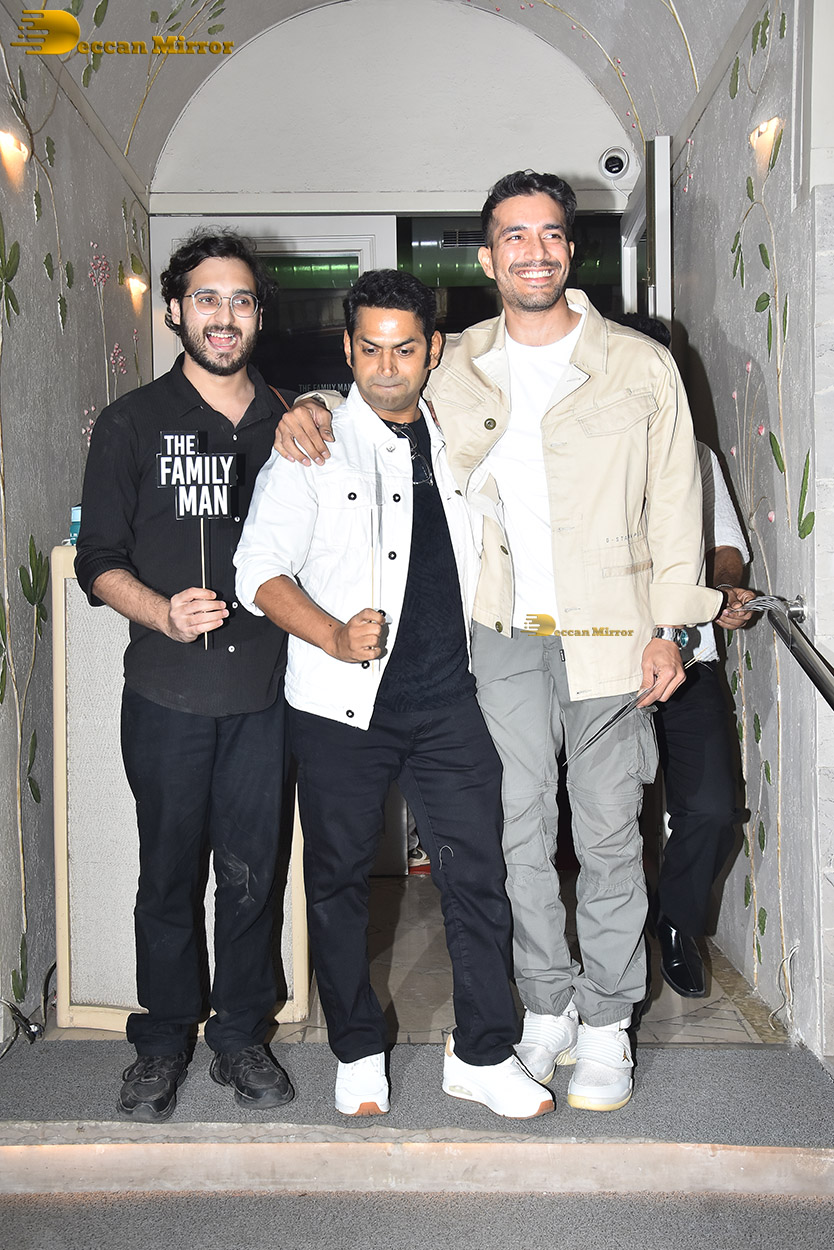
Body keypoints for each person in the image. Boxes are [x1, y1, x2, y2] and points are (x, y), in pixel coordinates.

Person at [274, 172, 723, 1112]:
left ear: (571, 249)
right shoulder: (460, 361)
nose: (533, 251)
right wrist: (308, 404)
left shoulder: (640, 364)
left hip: (614, 633)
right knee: (516, 835)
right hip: (503, 634)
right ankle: (546, 1004)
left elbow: (681, 503)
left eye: (549, 234)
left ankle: (607, 1021)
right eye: (513, 236)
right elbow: (378, 387)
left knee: (608, 833)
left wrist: (673, 628)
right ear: (488, 257)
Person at [234, 269, 554, 1121]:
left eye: (404, 349)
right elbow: (256, 570)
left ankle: (484, 1053)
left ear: (432, 350)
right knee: (338, 882)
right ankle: (357, 1048)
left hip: (449, 701)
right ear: (347, 349)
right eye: (369, 349)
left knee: (477, 877)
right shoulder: (314, 443)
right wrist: (333, 633)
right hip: (340, 707)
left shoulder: (459, 430)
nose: (385, 367)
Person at [75, 230, 296, 1122]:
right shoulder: (130, 422)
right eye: (207, 298)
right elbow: (98, 559)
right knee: (168, 876)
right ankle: (163, 1041)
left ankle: (241, 1036)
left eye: (240, 300)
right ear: (175, 309)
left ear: (257, 314)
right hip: (166, 694)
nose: (224, 315)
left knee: (252, 877)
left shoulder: (291, 421)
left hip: (267, 696)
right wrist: (160, 611)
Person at [614, 314, 756, 997]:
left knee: (714, 807)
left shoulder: (696, 455)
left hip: (689, 659)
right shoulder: (581, 452)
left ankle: (676, 921)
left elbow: (726, 547)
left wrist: (721, 590)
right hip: (607, 664)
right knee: (602, 815)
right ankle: (604, 942)